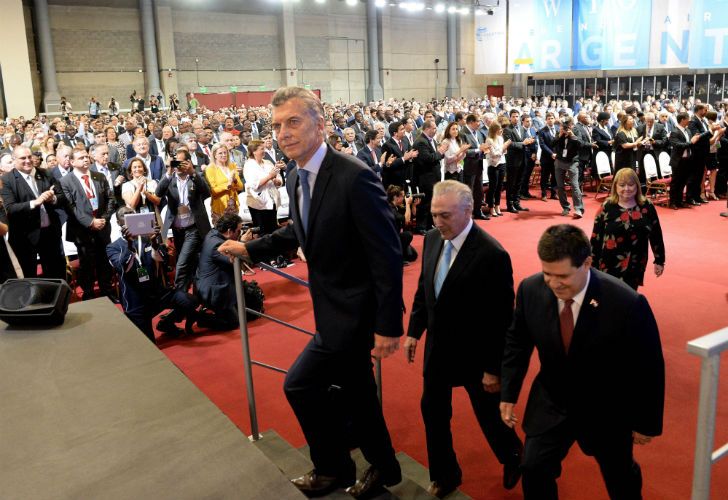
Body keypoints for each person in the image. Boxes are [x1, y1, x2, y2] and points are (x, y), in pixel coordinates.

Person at [217, 87, 404, 499]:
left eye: (293, 122)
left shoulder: (354, 176)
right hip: (330, 311)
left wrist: (389, 324)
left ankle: (336, 468)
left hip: (354, 316)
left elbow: (387, 254)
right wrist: (251, 248)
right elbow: (298, 229)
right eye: (277, 125)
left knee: (302, 385)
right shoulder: (295, 174)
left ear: (320, 125)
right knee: (357, 396)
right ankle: (375, 468)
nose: (283, 133)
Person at [500, 224, 665, 500]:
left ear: (587, 263)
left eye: (562, 275)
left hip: (606, 408)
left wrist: (645, 422)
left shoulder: (626, 302)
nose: (553, 284)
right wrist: (509, 391)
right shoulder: (531, 290)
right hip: (552, 401)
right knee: (533, 468)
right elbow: (517, 342)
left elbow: (648, 366)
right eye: (547, 274)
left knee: (620, 475)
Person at [405, 180, 523, 498]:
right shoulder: (431, 239)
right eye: (434, 215)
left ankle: (513, 455)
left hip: (475, 353)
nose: (437, 222)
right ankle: (445, 475)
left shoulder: (492, 254)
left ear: (468, 210)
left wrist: (492, 368)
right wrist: (414, 331)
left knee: (488, 414)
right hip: (438, 350)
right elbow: (424, 291)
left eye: (445, 215)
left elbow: (501, 320)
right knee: (433, 411)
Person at [107, 207, 198, 342]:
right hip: (135, 300)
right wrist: (130, 244)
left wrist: (155, 243)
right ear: (118, 222)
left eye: (132, 216)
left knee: (190, 301)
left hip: (156, 292)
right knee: (149, 343)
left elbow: (164, 260)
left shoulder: (148, 238)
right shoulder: (113, 247)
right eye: (125, 217)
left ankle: (166, 322)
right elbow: (123, 267)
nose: (129, 219)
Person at [590, 168, 665, 290]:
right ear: (615, 187)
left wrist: (659, 260)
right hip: (609, 261)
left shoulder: (647, 206)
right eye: (622, 185)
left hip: (636, 262)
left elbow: (656, 234)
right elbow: (595, 238)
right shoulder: (606, 207)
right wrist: (591, 265)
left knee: (629, 295)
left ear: (637, 186)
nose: (627, 189)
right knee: (608, 296)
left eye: (631, 184)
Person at [0, 146, 66, 280]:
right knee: (29, 275)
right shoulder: (7, 180)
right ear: (14, 160)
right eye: (23, 158)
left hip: (50, 233)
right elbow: (10, 208)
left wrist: (52, 198)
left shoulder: (46, 173)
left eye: (29, 157)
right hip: (25, 237)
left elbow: (62, 197)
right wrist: (35, 202)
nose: (28, 160)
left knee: (56, 272)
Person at [60, 148, 116, 301]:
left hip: (102, 226)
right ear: (72, 162)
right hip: (81, 229)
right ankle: (89, 292)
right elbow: (70, 207)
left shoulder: (99, 176)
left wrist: (104, 218)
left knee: (104, 260)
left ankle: (107, 289)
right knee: (87, 263)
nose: (85, 159)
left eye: (86, 156)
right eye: (81, 158)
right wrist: (90, 222)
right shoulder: (65, 181)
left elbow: (110, 199)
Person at [156, 146, 211, 292]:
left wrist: (192, 172)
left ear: (188, 162)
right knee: (189, 264)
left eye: (181, 163)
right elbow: (158, 192)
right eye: (176, 163)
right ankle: (191, 297)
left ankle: (179, 299)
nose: (178, 166)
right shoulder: (169, 178)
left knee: (181, 264)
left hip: (194, 228)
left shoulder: (195, 176)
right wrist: (168, 171)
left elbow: (207, 192)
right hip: (177, 229)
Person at [243, 139, 282, 235]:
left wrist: (277, 181)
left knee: (273, 229)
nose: (264, 151)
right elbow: (254, 185)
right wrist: (270, 176)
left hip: (272, 200)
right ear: (253, 151)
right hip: (258, 204)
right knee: (263, 232)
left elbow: (278, 179)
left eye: (264, 148)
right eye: (261, 149)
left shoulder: (268, 162)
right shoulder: (249, 165)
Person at [553, 116, 585, 218]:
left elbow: (581, 145)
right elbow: (552, 143)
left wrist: (573, 136)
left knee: (575, 186)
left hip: (572, 162)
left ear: (572, 125)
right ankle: (566, 207)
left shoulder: (576, 131)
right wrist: (559, 135)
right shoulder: (560, 132)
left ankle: (579, 209)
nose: (566, 127)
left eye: (568, 125)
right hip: (559, 161)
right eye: (564, 125)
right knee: (560, 186)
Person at [204, 143, 244, 223]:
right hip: (220, 205)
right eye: (220, 153)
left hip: (233, 204)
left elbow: (240, 187)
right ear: (215, 155)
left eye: (225, 152)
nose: (224, 155)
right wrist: (228, 184)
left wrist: (235, 180)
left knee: (235, 230)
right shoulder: (210, 169)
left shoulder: (232, 166)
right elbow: (214, 191)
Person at [461, 114, 491, 218]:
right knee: (469, 191)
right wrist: (479, 150)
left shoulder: (479, 132)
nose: (480, 123)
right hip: (468, 166)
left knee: (479, 190)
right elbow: (463, 151)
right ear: (470, 122)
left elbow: (481, 146)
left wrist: (486, 149)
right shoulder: (462, 133)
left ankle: (478, 211)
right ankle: (467, 214)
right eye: (478, 121)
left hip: (478, 164)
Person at [386, 185, 418, 264]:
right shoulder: (390, 208)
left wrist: (413, 205)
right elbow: (406, 219)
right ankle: (397, 258)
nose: (404, 198)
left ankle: (401, 254)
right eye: (402, 196)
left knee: (413, 256)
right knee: (408, 235)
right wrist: (407, 204)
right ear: (395, 197)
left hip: (395, 237)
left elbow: (412, 215)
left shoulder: (397, 207)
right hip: (389, 241)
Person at [484, 122, 511, 218]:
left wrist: (503, 148)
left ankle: (497, 205)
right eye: (499, 129)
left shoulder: (500, 138)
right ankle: (491, 207)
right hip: (493, 165)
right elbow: (494, 154)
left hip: (502, 163)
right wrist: (503, 147)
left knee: (500, 186)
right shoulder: (489, 140)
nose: (501, 131)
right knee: (493, 187)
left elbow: (504, 152)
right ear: (494, 130)